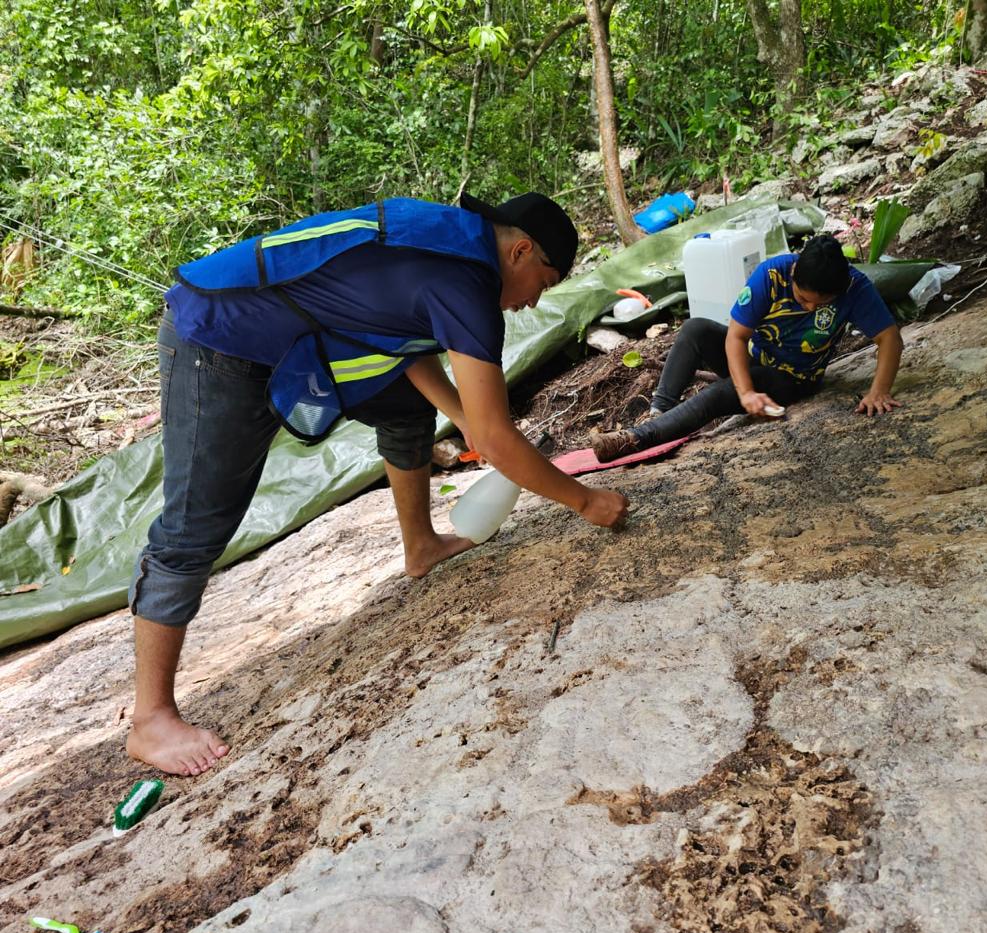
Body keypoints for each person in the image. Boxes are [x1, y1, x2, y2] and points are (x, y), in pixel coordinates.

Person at [128, 192, 629, 776]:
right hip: (217, 337)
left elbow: (404, 343)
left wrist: (462, 417)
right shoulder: (466, 283)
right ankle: (150, 719)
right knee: (198, 523)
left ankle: (421, 546)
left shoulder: (446, 241)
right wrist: (584, 499)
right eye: (541, 285)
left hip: (290, 336)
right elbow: (496, 439)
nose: (531, 304)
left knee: (403, 405)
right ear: (520, 251)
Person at [591, 234, 903, 462]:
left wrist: (879, 390)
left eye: (819, 304)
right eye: (802, 298)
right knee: (695, 329)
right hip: (755, 357)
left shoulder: (855, 287)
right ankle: (658, 412)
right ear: (794, 273)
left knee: (717, 395)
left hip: (792, 378)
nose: (808, 307)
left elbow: (890, 339)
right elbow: (736, 337)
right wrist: (746, 393)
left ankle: (633, 439)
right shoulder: (772, 274)